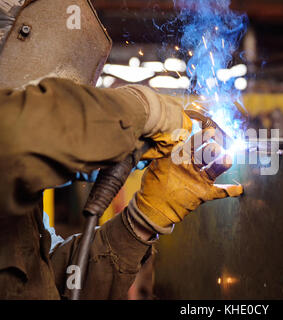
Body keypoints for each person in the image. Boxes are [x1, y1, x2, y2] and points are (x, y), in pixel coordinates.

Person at [0, 0, 243, 299]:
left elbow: (54, 284)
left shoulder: (20, 215)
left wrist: (140, 223)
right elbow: (12, 135)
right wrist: (144, 112)